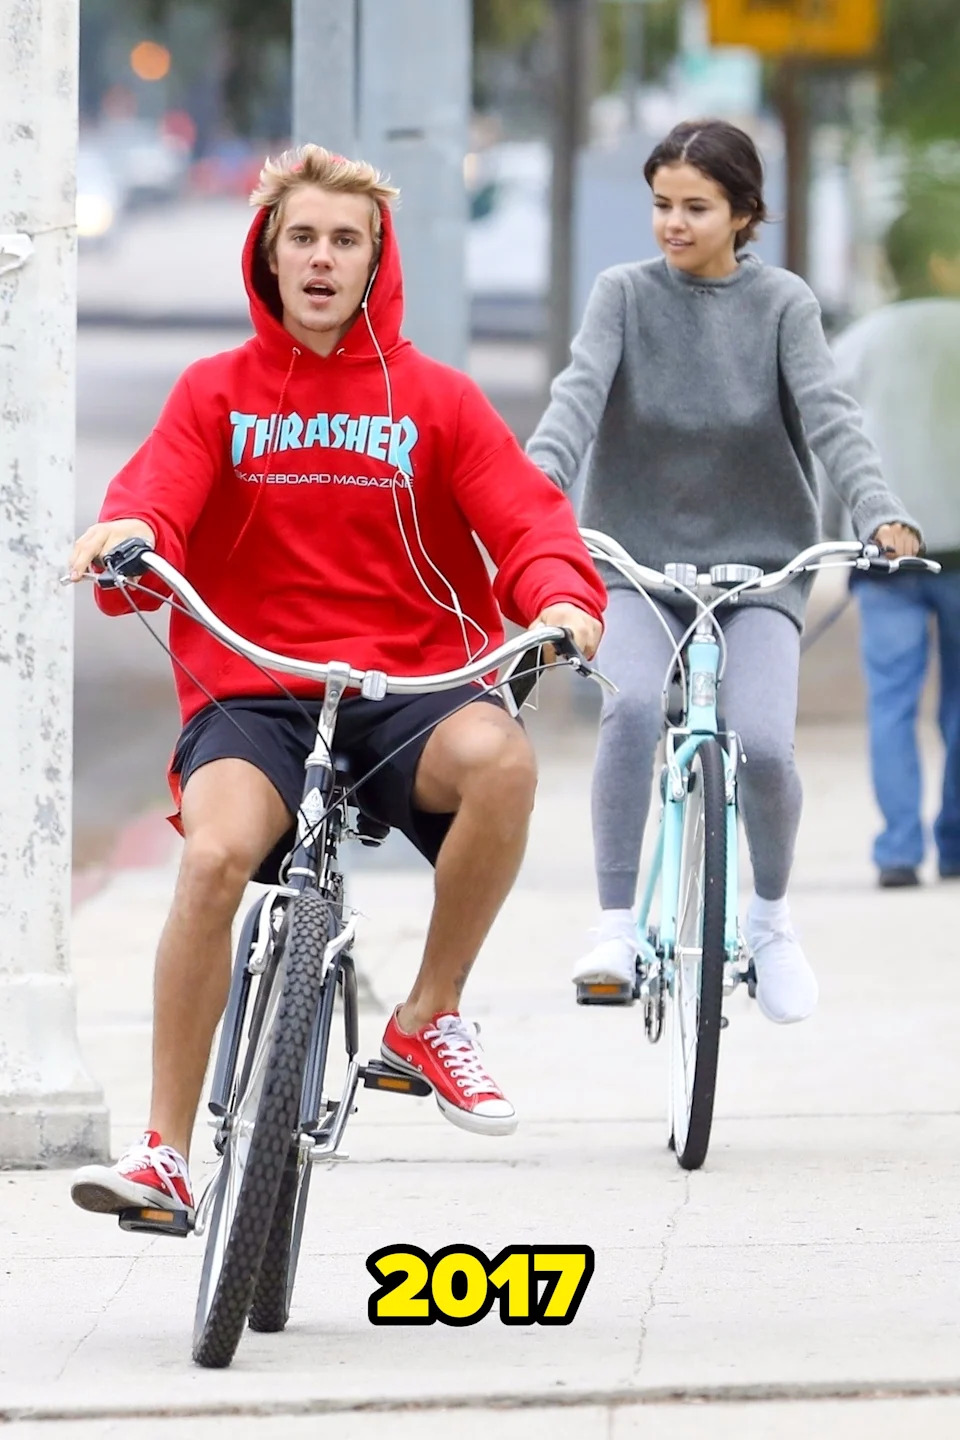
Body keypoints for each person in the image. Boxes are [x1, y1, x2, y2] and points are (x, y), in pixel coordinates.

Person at [67, 145, 605, 1222]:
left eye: (344, 240)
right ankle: (165, 1154)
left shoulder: (436, 401)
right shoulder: (213, 392)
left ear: (375, 258)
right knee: (215, 860)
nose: (321, 259)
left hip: (409, 687)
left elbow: (527, 524)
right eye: (301, 238)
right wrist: (128, 534)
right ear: (268, 256)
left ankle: (429, 1014)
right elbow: (156, 499)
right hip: (254, 693)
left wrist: (558, 599)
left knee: (501, 760)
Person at [526, 118, 921, 1025]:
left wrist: (877, 511)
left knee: (767, 745)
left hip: (759, 567)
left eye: (695, 207)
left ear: (744, 213)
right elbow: (575, 402)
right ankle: (617, 928)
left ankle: (772, 921)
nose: (672, 223)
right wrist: (531, 491)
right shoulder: (622, 295)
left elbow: (831, 417)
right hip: (635, 560)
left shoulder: (783, 304)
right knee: (626, 707)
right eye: (662, 204)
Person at [829, 196, 960, 888]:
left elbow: (825, 440)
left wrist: (833, 530)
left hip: (887, 556)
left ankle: (898, 850)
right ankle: (958, 845)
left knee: (892, 704)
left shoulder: (860, 340)